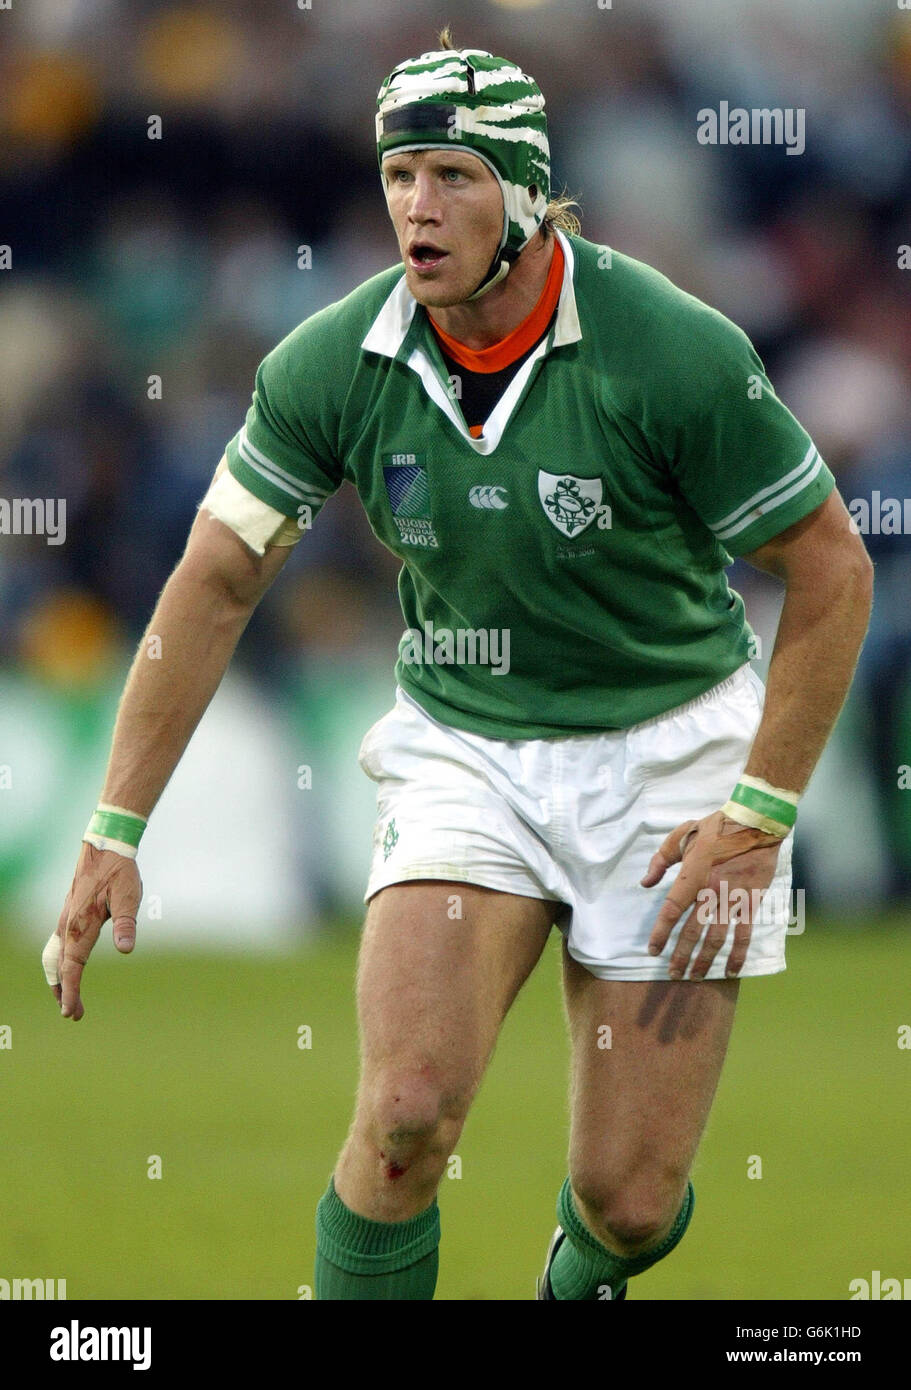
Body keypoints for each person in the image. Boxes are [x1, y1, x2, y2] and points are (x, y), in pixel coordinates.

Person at [45, 31, 873, 1300]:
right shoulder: (331, 362)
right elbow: (213, 581)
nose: (416, 211)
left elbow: (830, 572)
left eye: (451, 176)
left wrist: (757, 814)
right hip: (465, 749)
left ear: (526, 192)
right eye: (398, 177)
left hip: (672, 758)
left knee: (631, 1201)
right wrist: (114, 824)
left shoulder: (670, 349)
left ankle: (574, 1273)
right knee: (405, 1113)